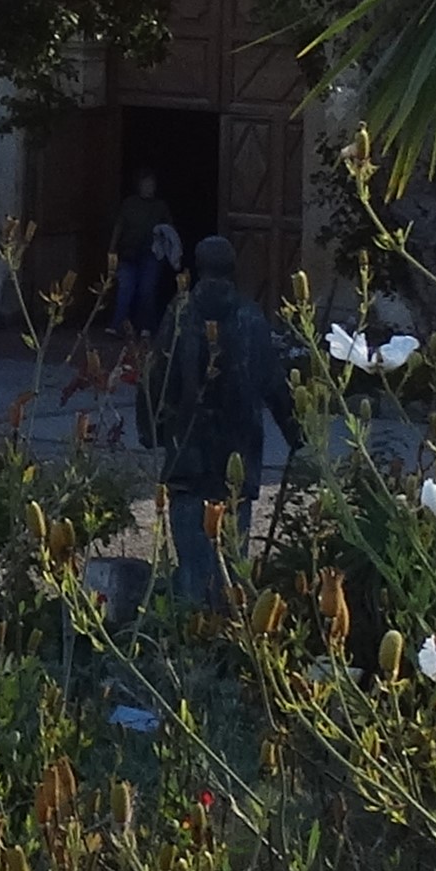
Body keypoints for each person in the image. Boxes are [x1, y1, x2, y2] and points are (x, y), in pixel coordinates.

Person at [149, 233, 297, 608]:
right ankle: (223, 631)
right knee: (230, 560)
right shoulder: (250, 317)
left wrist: (150, 427)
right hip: (237, 459)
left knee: (191, 565)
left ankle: (191, 628)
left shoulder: (179, 313)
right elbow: (274, 382)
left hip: (187, 457)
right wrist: (295, 429)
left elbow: (157, 374)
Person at [106, 173, 165, 335]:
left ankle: (146, 326)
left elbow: (169, 231)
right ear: (139, 186)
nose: (148, 188)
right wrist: (112, 249)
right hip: (128, 253)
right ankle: (118, 325)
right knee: (125, 289)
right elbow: (119, 225)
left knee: (146, 290)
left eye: (151, 185)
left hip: (150, 254)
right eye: (145, 185)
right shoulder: (129, 204)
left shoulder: (160, 207)